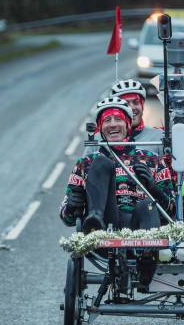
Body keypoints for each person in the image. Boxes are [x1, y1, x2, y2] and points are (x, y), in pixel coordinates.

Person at [60, 97, 174, 233]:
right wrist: (72, 207)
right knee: (101, 162)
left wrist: (154, 189)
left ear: (127, 124)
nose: (113, 124)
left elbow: (172, 213)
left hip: (141, 225)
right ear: (100, 128)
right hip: (106, 224)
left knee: (147, 204)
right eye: (107, 120)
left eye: (118, 119)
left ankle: (149, 249)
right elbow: (67, 218)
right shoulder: (85, 163)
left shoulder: (153, 159)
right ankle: (95, 218)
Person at [84, 79, 164, 156]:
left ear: (142, 106)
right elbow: (84, 168)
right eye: (126, 104)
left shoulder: (158, 136)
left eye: (136, 102)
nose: (132, 108)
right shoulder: (97, 140)